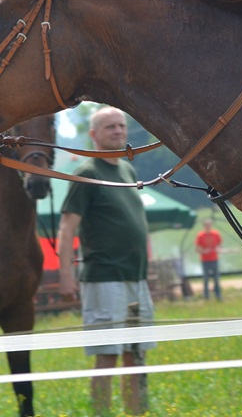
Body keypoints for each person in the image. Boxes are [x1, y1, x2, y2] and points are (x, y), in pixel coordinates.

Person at [57, 106, 154, 415]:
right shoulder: (86, 174)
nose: (118, 131)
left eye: (121, 125)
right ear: (94, 135)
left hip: (135, 277)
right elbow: (67, 227)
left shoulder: (128, 171)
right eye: (110, 126)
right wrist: (65, 277)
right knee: (108, 355)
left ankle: (136, 412)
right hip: (104, 278)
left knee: (136, 354)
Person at [195, 218, 223, 301]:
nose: (208, 226)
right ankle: (206, 296)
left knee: (216, 278)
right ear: (204, 226)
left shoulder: (216, 234)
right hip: (205, 260)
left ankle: (218, 295)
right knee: (206, 279)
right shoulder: (200, 235)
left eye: (209, 225)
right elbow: (197, 249)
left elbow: (219, 245)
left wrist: (218, 248)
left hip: (214, 259)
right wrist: (204, 251)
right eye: (206, 225)